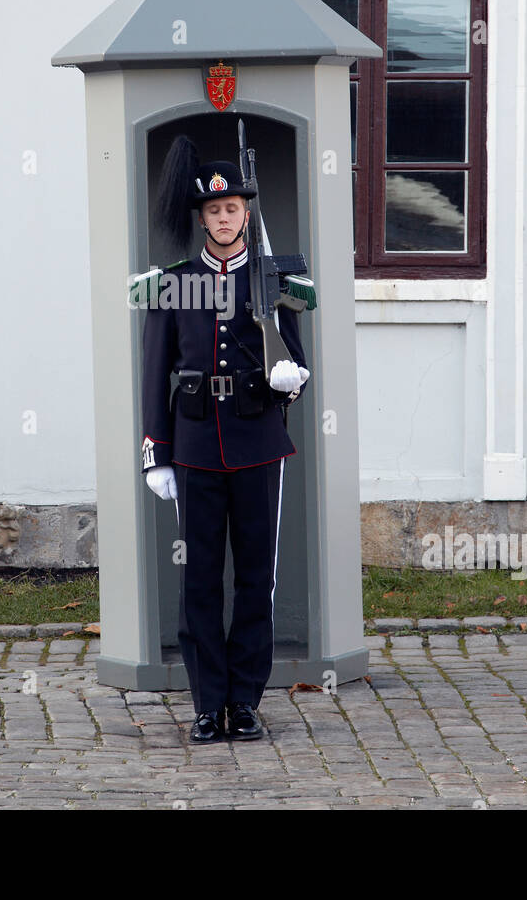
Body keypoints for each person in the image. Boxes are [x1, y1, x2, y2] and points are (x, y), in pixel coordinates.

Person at [134, 133, 311, 744]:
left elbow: (295, 363)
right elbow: (155, 369)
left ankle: (246, 701)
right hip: (196, 448)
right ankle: (208, 704)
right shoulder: (175, 282)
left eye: (233, 207)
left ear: (245, 213)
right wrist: (156, 452)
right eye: (214, 210)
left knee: (256, 576)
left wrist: (291, 381)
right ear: (202, 217)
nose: (224, 217)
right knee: (200, 579)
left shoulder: (273, 279)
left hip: (259, 443)